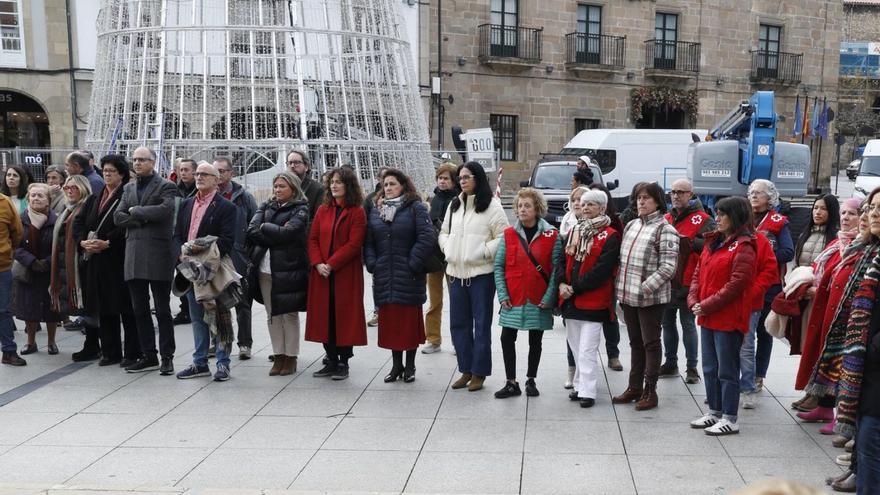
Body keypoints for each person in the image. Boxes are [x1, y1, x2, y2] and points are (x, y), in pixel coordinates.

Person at [688, 196, 757, 436]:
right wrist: (694, 300)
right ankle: (714, 411)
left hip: (727, 318)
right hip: (708, 315)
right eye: (716, 213)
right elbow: (698, 273)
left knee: (727, 370)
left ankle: (730, 417)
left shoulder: (745, 245)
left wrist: (706, 304)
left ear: (735, 216)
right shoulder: (713, 242)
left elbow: (737, 284)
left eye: (721, 214)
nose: (716, 219)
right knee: (709, 367)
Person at [439, 161, 508, 392]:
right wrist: (448, 249)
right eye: (460, 177)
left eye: (467, 176)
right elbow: (444, 233)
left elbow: (503, 237)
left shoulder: (493, 206)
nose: (463, 180)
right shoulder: (454, 204)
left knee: (481, 326)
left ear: (477, 178)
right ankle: (465, 369)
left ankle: (479, 372)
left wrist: (483, 252)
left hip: (481, 276)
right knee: (458, 325)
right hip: (455, 274)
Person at [364, 169, 435, 383]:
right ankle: (396, 366)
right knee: (392, 324)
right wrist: (372, 263)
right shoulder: (376, 210)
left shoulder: (416, 208)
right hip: (385, 274)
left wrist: (413, 263)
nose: (388, 188)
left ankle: (410, 366)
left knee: (408, 323)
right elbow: (369, 241)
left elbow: (426, 237)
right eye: (385, 185)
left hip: (408, 275)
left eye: (392, 184)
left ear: (403, 185)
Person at [613, 182, 679, 411]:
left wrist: (644, 288)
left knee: (651, 343)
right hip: (628, 296)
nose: (641, 202)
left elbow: (669, 267)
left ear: (658, 202)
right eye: (639, 197)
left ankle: (651, 391)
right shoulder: (631, 225)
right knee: (635, 343)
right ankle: (634, 387)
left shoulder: (665, 228)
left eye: (646, 198)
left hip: (650, 299)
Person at [114, 146, 179, 375]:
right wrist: (140, 216)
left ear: (153, 162)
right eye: (134, 159)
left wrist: (136, 211)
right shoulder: (128, 187)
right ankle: (149, 355)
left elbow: (165, 210)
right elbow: (118, 217)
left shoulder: (166, 186)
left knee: (162, 310)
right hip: (133, 254)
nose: (137, 163)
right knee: (139, 309)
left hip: (158, 253)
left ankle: (167, 356)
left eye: (142, 159)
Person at [492, 188, 561, 398]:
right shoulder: (509, 234)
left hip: (538, 298)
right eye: (520, 206)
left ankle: (531, 380)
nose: (522, 209)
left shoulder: (552, 235)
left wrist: (549, 298)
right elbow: (499, 266)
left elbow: (557, 270)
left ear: (537, 208)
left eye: (527, 205)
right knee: (506, 338)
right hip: (513, 298)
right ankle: (511, 382)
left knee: (535, 341)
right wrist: (502, 295)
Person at [173, 162, 238, 382]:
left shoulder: (226, 207)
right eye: (197, 173)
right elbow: (177, 234)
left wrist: (201, 255)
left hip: (213, 272)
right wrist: (180, 255)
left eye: (204, 174)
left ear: (216, 179)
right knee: (197, 318)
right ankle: (199, 362)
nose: (199, 177)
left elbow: (228, 240)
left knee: (219, 317)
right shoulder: (186, 204)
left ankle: (222, 363)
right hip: (189, 271)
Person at [75, 155, 140, 367]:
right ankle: (110, 351)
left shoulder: (128, 195)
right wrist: (82, 242)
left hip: (118, 258)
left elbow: (128, 224)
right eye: (104, 170)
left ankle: (132, 352)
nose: (107, 174)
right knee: (104, 307)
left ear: (121, 174)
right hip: (96, 259)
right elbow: (80, 222)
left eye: (112, 171)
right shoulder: (95, 197)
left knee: (125, 307)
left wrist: (109, 242)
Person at [557, 189, 619, 407]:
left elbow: (602, 270)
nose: (585, 208)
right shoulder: (574, 230)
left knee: (587, 350)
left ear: (602, 208)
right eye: (583, 204)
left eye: (591, 204)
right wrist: (561, 284)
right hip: (571, 302)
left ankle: (589, 392)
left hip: (594, 302)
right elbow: (563, 261)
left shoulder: (610, 235)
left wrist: (574, 287)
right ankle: (579, 386)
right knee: (575, 348)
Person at [305, 167, 367, 380]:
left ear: (348, 185)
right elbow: (312, 238)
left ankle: (343, 362)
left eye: (338, 182)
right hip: (321, 273)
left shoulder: (357, 211)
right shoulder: (323, 209)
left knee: (344, 317)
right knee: (324, 316)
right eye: (331, 182)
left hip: (344, 274)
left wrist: (330, 264)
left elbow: (354, 244)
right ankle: (330, 359)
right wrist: (317, 263)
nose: (334, 185)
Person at [247, 171, 310, 376]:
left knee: (288, 314)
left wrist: (266, 227)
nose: (277, 190)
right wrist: (273, 232)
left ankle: (291, 357)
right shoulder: (266, 205)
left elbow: (290, 232)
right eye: (275, 186)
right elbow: (252, 230)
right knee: (272, 314)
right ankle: (278, 355)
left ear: (293, 188)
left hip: (288, 269)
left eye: (282, 186)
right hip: (265, 269)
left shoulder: (300, 208)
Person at [741, 179, 794, 407]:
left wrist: (763, 252)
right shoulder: (742, 217)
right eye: (751, 192)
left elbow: (788, 251)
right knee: (743, 334)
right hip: (744, 285)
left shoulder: (778, 222)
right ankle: (742, 375)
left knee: (763, 333)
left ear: (770, 197)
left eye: (759, 193)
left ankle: (758, 375)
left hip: (769, 286)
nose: (754, 196)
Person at [660, 179, 716, 384]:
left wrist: (688, 242)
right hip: (667, 280)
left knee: (687, 324)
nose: (676, 196)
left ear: (690, 195)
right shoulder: (666, 217)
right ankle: (670, 363)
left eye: (681, 192)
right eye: (673, 192)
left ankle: (692, 367)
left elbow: (713, 245)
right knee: (667, 323)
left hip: (689, 281)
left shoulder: (703, 219)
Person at [214, 156, 258, 360]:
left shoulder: (243, 197)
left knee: (242, 302)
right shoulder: (208, 196)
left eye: (222, 171)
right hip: (215, 256)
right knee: (216, 302)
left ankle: (245, 343)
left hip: (238, 255)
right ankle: (221, 342)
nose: (219, 175)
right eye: (216, 172)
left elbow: (254, 225)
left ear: (231, 173)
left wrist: (246, 253)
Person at [49, 175, 92, 360]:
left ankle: (93, 345)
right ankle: (91, 345)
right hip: (66, 267)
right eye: (66, 188)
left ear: (83, 188)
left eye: (74, 187)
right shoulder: (67, 210)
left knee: (89, 308)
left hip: (81, 267)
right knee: (86, 310)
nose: (69, 191)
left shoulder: (86, 208)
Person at [14, 184, 56, 357]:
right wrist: (31, 261)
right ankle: (30, 342)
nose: (36, 198)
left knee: (51, 309)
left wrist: (46, 262)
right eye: (33, 196)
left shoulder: (56, 220)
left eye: (40, 195)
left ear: (48, 200)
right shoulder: (20, 220)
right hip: (28, 270)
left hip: (49, 271)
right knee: (29, 308)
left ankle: (52, 342)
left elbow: (59, 246)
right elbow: (15, 245)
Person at [423, 163, 459, 354]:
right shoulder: (433, 199)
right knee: (434, 300)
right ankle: (433, 338)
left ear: (453, 181)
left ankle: (457, 340)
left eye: (446, 178)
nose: (442, 181)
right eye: (440, 178)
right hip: (434, 256)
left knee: (457, 300)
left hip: (452, 256)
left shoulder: (459, 199)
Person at [589, 183, 624, 371]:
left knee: (609, 317)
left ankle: (613, 355)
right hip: (585, 279)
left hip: (608, 276)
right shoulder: (580, 223)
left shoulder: (614, 222)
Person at [0, 181, 23, 365]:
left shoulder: (5, 202)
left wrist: (6, 251)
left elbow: (17, 233)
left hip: (2, 267)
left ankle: (8, 351)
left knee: (4, 311)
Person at [363, 166, 389, 328]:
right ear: (379, 179)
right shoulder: (371, 198)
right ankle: (378, 312)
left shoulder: (402, 197)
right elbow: (365, 223)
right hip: (378, 248)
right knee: (377, 282)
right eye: (383, 178)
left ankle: (389, 312)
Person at [794, 194, 839, 268]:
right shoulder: (804, 235)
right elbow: (796, 264)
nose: (818, 212)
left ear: (832, 212)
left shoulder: (837, 238)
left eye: (823, 209)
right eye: (815, 208)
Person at [286, 149, 324, 219]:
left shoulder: (318, 189)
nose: (292, 166)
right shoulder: (283, 187)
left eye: (296, 162)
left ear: (306, 167)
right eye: (289, 163)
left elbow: (318, 220)